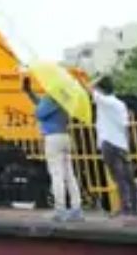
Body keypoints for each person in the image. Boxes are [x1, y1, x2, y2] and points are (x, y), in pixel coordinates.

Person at [25, 78, 81, 221]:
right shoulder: (65, 99)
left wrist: (39, 97)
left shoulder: (51, 98)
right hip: (65, 137)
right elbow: (43, 106)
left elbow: (39, 113)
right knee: (70, 175)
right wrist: (29, 92)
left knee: (57, 175)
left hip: (53, 139)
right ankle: (76, 209)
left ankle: (60, 210)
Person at [91, 76, 137, 216]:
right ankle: (133, 208)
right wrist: (127, 146)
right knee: (128, 178)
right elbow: (126, 127)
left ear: (101, 89)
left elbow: (89, 87)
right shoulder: (120, 104)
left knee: (118, 177)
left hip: (108, 143)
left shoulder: (103, 101)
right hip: (121, 144)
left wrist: (98, 78)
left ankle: (125, 208)